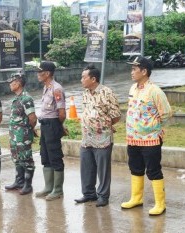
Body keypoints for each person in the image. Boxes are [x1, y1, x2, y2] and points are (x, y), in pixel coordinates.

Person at [121, 56, 172, 215]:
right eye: (132, 69)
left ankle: (160, 204)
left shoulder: (155, 90)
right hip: (133, 138)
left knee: (153, 170)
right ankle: (136, 198)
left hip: (150, 139)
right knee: (135, 168)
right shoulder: (132, 88)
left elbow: (167, 113)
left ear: (144, 71)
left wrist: (153, 126)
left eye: (135, 69)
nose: (132, 72)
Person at [74, 64, 121, 207]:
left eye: (84, 77)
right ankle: (88, 194)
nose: (81, 79)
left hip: (102, 137)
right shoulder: (85, 93)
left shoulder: (107, 92)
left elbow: (116, 115)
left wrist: (103, 125)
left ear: (93, 79)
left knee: (103, 168)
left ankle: (103, 196)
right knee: (86, 166)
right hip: (87, 136)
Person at [35, 61, 66, 201]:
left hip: (52, 124)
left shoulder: (56, 88)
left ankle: (58, 190)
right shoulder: (46, 87)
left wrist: (57, 127)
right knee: (45, 155)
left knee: (55, 156)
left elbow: (62, 113)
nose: (37, 74)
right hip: (45, 125)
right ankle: (49, 187)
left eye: (40, 71)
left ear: (47, 73)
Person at [4, 73, 37, 195]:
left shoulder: (26, 99)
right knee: (17, 158)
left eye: (11, 82)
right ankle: (19, 181)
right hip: (14, 135)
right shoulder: (16, 98)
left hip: (23, 135)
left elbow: (33, 118)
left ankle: (28, 185)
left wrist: (27, 131)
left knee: (26, 159)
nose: (10, 85)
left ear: (18, 83)